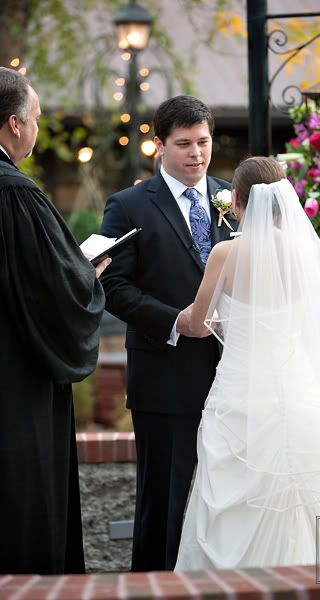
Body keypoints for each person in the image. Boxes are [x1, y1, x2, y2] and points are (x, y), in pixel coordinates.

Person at [175, 156, 320, 570]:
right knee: (307, 486)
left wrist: (180, 318)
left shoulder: (225, 253)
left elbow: (197, 322)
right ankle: (313, 575)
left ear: (238, 203)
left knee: (235, 487)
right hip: (297, 385)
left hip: (240, 389)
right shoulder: (303, 252)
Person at [100, 95, 236, 571]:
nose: (196, 154)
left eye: (203, 142)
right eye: (183, 144)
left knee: (226, 500)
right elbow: (114, 287)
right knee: (165, 504)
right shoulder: (129, 205)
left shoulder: (232, 200)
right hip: (165, 379)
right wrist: (175, 321)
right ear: (159, 145)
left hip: (233, 380)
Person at [0, 67, 110, 574]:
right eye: (37, 119)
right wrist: (86, 277)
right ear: (14, 125)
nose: (39, 129)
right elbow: (53, 289)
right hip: (16, 378)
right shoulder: (15, 193)